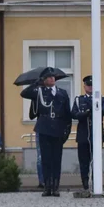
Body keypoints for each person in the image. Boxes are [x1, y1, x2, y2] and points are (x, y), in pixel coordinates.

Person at [21, 68, 72, 197]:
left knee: (56, 159)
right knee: (46, 159)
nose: (52, 79)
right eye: (48, 77)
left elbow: (67, 114)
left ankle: (55, 187)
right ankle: (47, 187)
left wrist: (67, 131)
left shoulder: (62, 93)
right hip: (44, 128)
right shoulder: (39, 92)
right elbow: (24, 93)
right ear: (44, 80)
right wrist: (37, 83)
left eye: (53, 77)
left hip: (58, 128)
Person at [71, 75, 104, 191]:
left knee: (96, 160)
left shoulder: (101, 98)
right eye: (88, 85)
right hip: (83, 134)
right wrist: (85, 113)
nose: (90, 87)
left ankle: (96, 182)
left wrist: (95, 108)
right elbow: (74, 114)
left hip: (96, 134)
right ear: (84, 86)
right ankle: (85, 182)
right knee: (84, 161)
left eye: (92, 85)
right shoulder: (79, 99)